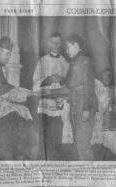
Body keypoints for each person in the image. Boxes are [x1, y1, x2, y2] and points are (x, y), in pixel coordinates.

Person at [42, 34, 97, 161]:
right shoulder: (75, 62)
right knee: (79, 142)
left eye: (67, 47)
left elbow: (88, 86)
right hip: (77, 104)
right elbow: (72, 87)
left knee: (83, 143)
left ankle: (92, 174)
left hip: (83, 106)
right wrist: (64, 98)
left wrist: (86, 109)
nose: (66, 51)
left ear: (76, 46)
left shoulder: (84, 61)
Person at [32, 32, 73, 160]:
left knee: (57, 132)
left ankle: (56, 158)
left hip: (59, 102)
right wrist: (49, 79)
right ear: (49, 43)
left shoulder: (65, 62)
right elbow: (34, 82)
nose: (56, 45)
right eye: (54, 43)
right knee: (45, 133)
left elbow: (70, 83)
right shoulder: (42, 60)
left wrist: (61, 80)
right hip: (45, 104)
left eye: (59, 43)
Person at [91, 69, 116, 160]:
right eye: (104, 76)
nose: (106, 78)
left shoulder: (114, 90)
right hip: (100, 124)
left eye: (109, 76)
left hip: (111, 124)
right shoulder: (96, 89)